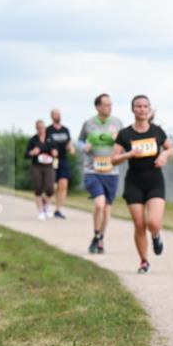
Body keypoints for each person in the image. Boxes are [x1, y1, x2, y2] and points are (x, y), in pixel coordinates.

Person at [111, 95, 173, 273]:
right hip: (134, 182)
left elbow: (170, 148)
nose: (142, 109)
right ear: (133, 109)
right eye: (138, 106)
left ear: (149, 109)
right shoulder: (125, 134)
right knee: (139, 225)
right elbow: (113, 159)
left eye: (145, 106)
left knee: (153, 222)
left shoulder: (157, 131)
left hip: (155, 181)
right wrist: (129, 154)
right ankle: (144, 262)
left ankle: (156, 234)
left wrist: (164, 155)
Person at [79, 93, 123, 254]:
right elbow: (80, 141)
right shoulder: (89, 123)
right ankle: (97, 234)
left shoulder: (117, 123)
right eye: (106, 105)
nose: (109, 107)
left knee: (107, 207)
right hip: (92, 170)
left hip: (111, 171)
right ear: (98, 106)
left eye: (111, 104)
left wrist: (119, 142)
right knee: (99, 204)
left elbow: (125, 143)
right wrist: (83, 147)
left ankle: (99, 238)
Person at [25, 120, 58, 220]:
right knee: (38, 188)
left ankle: (46, 206)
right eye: (39, 128)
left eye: (42, 128)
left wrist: (55, 152)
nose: (41, 130)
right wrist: (32, 152)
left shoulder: (50, 139)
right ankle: (41, 211)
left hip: (48, 166)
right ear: (36, 128)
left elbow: (56, 151)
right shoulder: (33, 140)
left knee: (50, 188)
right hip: (36, 166)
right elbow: (26, 154)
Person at [46, 108, 75, 219]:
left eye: (59, 114)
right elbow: (43, 144)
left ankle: (58, 210)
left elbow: (69, 142)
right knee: (51, 186)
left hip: (63, 160)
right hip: (50, 160)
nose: (58, 116)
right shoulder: (48, 130)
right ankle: (46, 206)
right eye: (56, 114)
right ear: (51, 116)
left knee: (63, 185)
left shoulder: (65, 130)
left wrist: (71, 148)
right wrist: (50, 150)